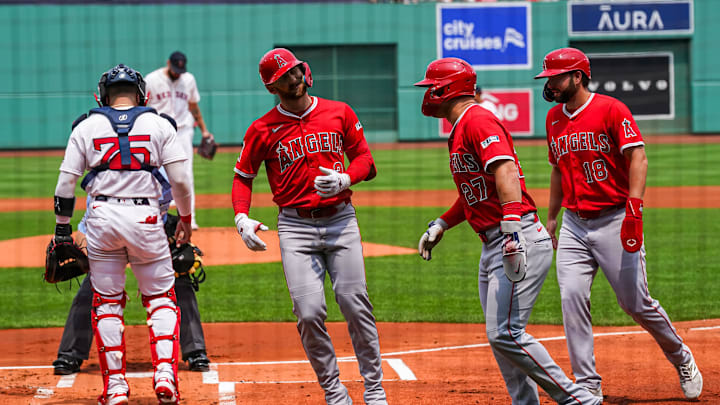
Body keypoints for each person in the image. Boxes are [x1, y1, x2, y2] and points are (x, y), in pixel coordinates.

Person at [415, 57, 601, 405]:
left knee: (505, 333)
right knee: (500, 337)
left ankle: (579, 400)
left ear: (446, 89)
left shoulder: (478, 120)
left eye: (431, 88)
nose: (427, 95)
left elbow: (505, 172)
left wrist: (513, 232)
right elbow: (476, 192)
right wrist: (442, 223)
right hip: (494, 242)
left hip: (516, 237)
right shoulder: (461, 126)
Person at [535, 47, 703, 401]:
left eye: (555, 77)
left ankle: (681, 356)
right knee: (571, 297)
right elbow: (556, 169)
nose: (549, 83)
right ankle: (587, 384)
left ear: (577, 77)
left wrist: (634, 209)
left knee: (635, 302)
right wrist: (551, 217)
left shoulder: (611, 109)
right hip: (574, 225)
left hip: (614, 219)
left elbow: (638, 157)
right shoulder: (553, 119)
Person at [231, 48, 387, 405]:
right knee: (308, 312)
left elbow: (366, 160)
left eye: (296, 71)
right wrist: (241, 216)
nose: (294, 78)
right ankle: (335, 392)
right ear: (273, 87)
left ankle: (375, 390)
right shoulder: (261, 129)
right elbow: (243, 177)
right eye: (285, 76)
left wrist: (347, 177)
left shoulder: (339, 112)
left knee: (354, 303)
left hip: (341, 220)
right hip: (295, 228)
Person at [52, 63, 192, 404]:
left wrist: (62, 230)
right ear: (141, 93)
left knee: (108, 303)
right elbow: (181, 181)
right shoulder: (160, 124)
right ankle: (165, 379)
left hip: (101, 219)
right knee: (160, 299)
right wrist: (185, 218)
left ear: (103, 95)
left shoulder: (86, 126)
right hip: (146, 218)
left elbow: (65, 184)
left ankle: (115, 387)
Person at [52, 168, 210, 377]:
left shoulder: (158, 161)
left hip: (153, 228)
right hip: (109, 232)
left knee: (179, 278)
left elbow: (172, 192)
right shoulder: (103, 172)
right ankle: (70, 354)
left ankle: (195, 351)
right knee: (94, 287)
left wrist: (176, 225)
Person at [145, 51, 214, 230]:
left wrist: (205, 131)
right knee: (155, 175)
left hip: (183, 131)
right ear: (168, 63)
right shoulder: (151, 80)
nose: (177, 73)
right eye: (175, 69)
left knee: (186, 175)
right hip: (157, 132)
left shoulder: (188, 79)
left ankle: (189, 219)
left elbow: (193, 106)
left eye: (180, 70)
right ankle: (155, 218)